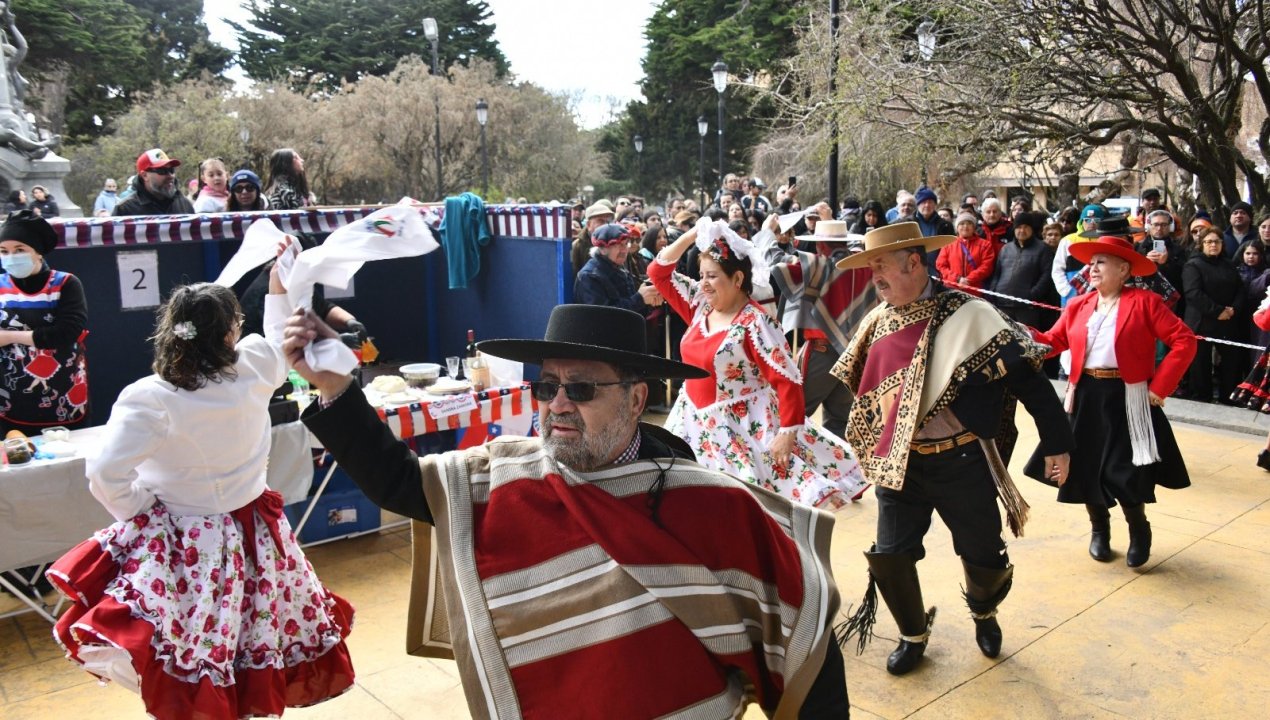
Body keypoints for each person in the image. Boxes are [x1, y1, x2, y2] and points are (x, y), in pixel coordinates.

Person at [286, 302, 851, 718]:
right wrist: (337, 387)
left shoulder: (708, 501)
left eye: (580, 389)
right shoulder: (505, 478)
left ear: (635, 400)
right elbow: (399, 481)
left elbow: (804, 625)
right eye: (546, 386)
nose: (556, 404)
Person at [45, 250, 355, 720]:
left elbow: (105, 473)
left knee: (193, 636)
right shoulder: (253, 367)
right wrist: (278, 281)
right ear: (230, 333)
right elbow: (276, 335)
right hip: (254, 532)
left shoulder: (150, 398)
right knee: (251, 625)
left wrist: (145, 512)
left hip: (187, 541)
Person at [833, 222, 1073, 675]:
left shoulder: (971, 314)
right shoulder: (877, 320)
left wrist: (1057, 442)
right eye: (872, 269)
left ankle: (985, 613)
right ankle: (912, 635)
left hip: (962, 459)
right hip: (899, 464)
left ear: (915, 262)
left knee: (982, 552)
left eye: (882, 266)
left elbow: (1029, 380)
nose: (876, 278)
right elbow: (863, 389)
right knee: (890, 554)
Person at [651, 219, 868, 508]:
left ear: (738, 279)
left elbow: (787, 380)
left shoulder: (755, 322)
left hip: (741, 429)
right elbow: (658, 273)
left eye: (712, 276)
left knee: (742, 506)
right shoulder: (700, 304)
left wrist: (787, 433)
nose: (703, 283)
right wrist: (694, 233)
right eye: (701, 275)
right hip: (692, 424)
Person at [1023, 235, 1196, 568]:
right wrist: (1021, 334)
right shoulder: (1078, 305)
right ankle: (1099, 531)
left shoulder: (1145, 302)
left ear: (1123, 269)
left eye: (1101, 262)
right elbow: (1053, 341)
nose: (1092, 268)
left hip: (1128, 397)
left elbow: (1184, 341)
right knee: (1084, 469)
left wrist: (1159, 387)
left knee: (1125, 472)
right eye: (1092, 262)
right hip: (1085, 394)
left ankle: (1138, 530)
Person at [759, 210, 877, 441]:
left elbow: (775, 261)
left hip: (822, 353)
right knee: (840, 422)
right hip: (854, 355)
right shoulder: (865, 267)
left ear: (821, 245)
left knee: (792, 412)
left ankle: (790, 468)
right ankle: (839, 473)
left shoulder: (819, 266)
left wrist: (766, 233)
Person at [0, 208, 89, 433]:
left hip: (64, 393)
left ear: (38, 252)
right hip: (10, 398)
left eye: (19, 250)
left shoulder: (66, 284)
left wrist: (9, 336)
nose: (10, 257)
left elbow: (64, 334)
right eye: (3, 251)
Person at [1184, 226, 1247, 403]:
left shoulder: (1228, 264)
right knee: (1200, 363)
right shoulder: (1193, 265)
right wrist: (1217, 311)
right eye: (1209, 241)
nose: (1213, 245)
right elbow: (1193, 293)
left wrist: (1233, 309)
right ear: (1201, 244)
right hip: (1202, 321)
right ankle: (1201, 397)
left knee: (1231, 361)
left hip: (1228, 321)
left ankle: (1229, 397)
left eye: (1217, 241)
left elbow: (1240, 289)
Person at [575, 222, 663, 314]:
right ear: (603, 248)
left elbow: (633, 309)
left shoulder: (620, 268)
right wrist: (640, 299)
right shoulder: (590, 276)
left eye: (625, 244)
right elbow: (602, 316)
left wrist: (649, 300)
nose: (624, 250)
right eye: (619, 245)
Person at [988, 211, 1054, 327]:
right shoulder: (1006, 248)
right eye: (1018, 227)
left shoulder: (1043, 248)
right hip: (1003, 304)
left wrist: (1032, 295)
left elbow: (1047, 275)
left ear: (1032, 229)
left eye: (1026, 227)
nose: (1022, 231)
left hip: (1027, 307)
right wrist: (994, 291)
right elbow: (997, 273)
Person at [114, 148, 195, 216]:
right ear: (144, 175)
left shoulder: (184, 204)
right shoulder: (125, 210)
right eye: (162, 171)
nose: (171, 176)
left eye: (171, 170)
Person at [936, 211, 996, 294]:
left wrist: (969, 279)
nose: (965, 226)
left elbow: (987, 267)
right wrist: (957, 279)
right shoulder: (948, 244)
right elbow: (941, 265)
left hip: (975, 290)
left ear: (974, 227)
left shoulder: (985, 245)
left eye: (969, 223)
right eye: (962, 223)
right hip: (952, 289)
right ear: (957, 227)